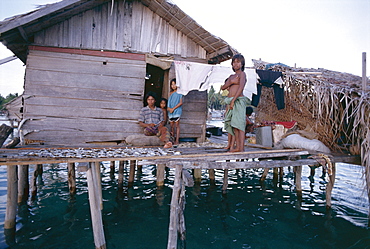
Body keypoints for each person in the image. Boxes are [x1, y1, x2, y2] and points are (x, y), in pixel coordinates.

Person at [221, 54, 248, 152]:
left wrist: (233, 100)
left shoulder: (242, 74)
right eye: (234, 62)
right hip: (231, 102)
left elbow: (241, 88)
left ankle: (241, 147)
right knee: (233, 125)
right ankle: (236, 147)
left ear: (242, 64)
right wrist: (231, 82)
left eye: (238, 62)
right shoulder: (231, 76)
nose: (236, 64)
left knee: (239, 125)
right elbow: (223, 87)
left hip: (238, 101)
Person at [167, 78, 183, 145]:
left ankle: (177, 140)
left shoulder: (180, 93)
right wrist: (169, 109)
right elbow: (168, 102)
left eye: (174, 84)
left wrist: (173, 108)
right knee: (172, 126)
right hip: (170, 111)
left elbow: (181, 102)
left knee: (177, 126)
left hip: (177, 111)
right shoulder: (170, 93)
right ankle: (172, 139)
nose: (173, 86)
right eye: (172, 84)